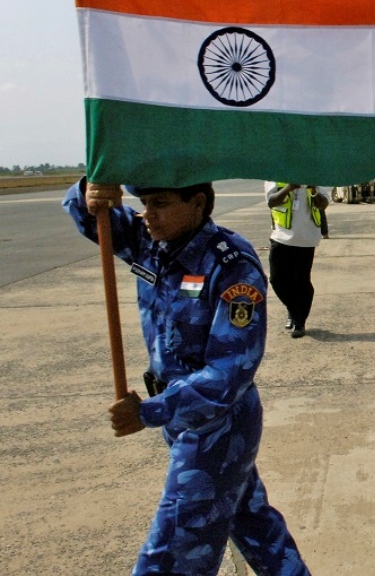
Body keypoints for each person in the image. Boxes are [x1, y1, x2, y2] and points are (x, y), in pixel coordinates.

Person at [64, 180, 310, 576]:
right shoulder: (152, 243)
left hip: (216, 427)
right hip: (182, 420)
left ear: (197, 204)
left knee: (172, 556)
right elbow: (91, 217)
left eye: (160, 203)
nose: (148, 214)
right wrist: (91, 188)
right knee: (257, 531)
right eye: (143, 203)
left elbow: (230, 373)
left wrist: (149, 411)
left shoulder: (230, 264)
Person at [265, 182, 329, 338]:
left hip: (306, 239)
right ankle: (293, 310)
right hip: (281, 237)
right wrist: (289, 187)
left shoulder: (313, 174)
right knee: (277, 279)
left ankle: (299, 322)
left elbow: (324, 203)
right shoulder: (277, 175)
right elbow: (271, 201)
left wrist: (313, 189)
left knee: (301, 282)